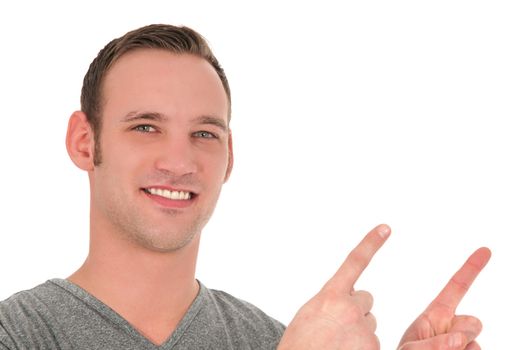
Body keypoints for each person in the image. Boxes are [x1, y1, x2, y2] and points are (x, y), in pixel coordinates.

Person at [0, 24, 490, 350]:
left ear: (229, 157)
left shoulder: (274, 340)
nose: (178, 160)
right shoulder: (18, 334)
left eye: (204, 134)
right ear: (84, 143)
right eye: (145, 126)